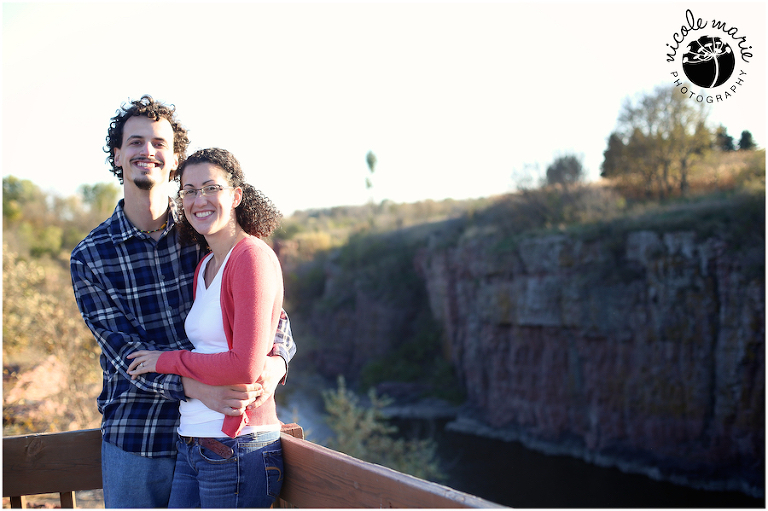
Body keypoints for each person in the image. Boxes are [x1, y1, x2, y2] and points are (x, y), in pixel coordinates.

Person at [70, 96, 296, 508]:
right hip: (139, 437)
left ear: (175, 159)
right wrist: (197, 389)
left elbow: (270, 314)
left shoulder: (203, 232)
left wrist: (276, 361)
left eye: (159, 143)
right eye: (135, 142)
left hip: (217, 431)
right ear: (117, 155)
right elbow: (127, 356)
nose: (147, 151)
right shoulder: (91, 257)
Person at [127, 147, 286, 507]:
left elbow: (243, 366)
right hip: (193, 439)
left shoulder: (251, 257)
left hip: (238, 445)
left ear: (236, 195)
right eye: (189, 190)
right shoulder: (206, 266)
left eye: (211, 188)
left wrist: (164, 360)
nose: (199, 200)